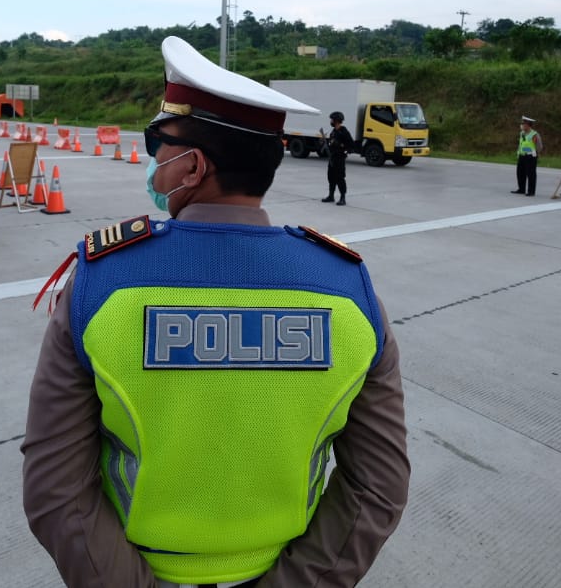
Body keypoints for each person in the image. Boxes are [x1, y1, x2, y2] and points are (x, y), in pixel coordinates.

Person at [22, 36, 410, 588]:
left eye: (160, 142)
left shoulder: (101, 283)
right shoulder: (348, 291)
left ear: (193, 167)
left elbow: (55, 491)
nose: (153, 157)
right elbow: (378, 487)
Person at [320, 110, 354, 205]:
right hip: (332, 158)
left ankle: (343, 198)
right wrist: (324, 143)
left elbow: (351, 146)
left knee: (340, 178)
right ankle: (331, 196)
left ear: (336, 120)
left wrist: (342, 147)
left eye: (332, 120)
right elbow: (331, 144)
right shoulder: (333, 132)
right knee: (331, 177)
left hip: (339, 159)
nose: (331, 121)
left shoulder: (344, 132)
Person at [512, 114, 544, 196]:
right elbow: (521, 143)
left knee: (531, 174)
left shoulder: (534, 134)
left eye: (523, 124)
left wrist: (534, 153)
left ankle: (531, 191)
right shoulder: (522, 133)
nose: (522, 125)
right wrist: (519, 152)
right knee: (520, 173)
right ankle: (521, 189)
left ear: (528, 125)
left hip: (530, 157)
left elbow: (539, 146)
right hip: (522, 155)